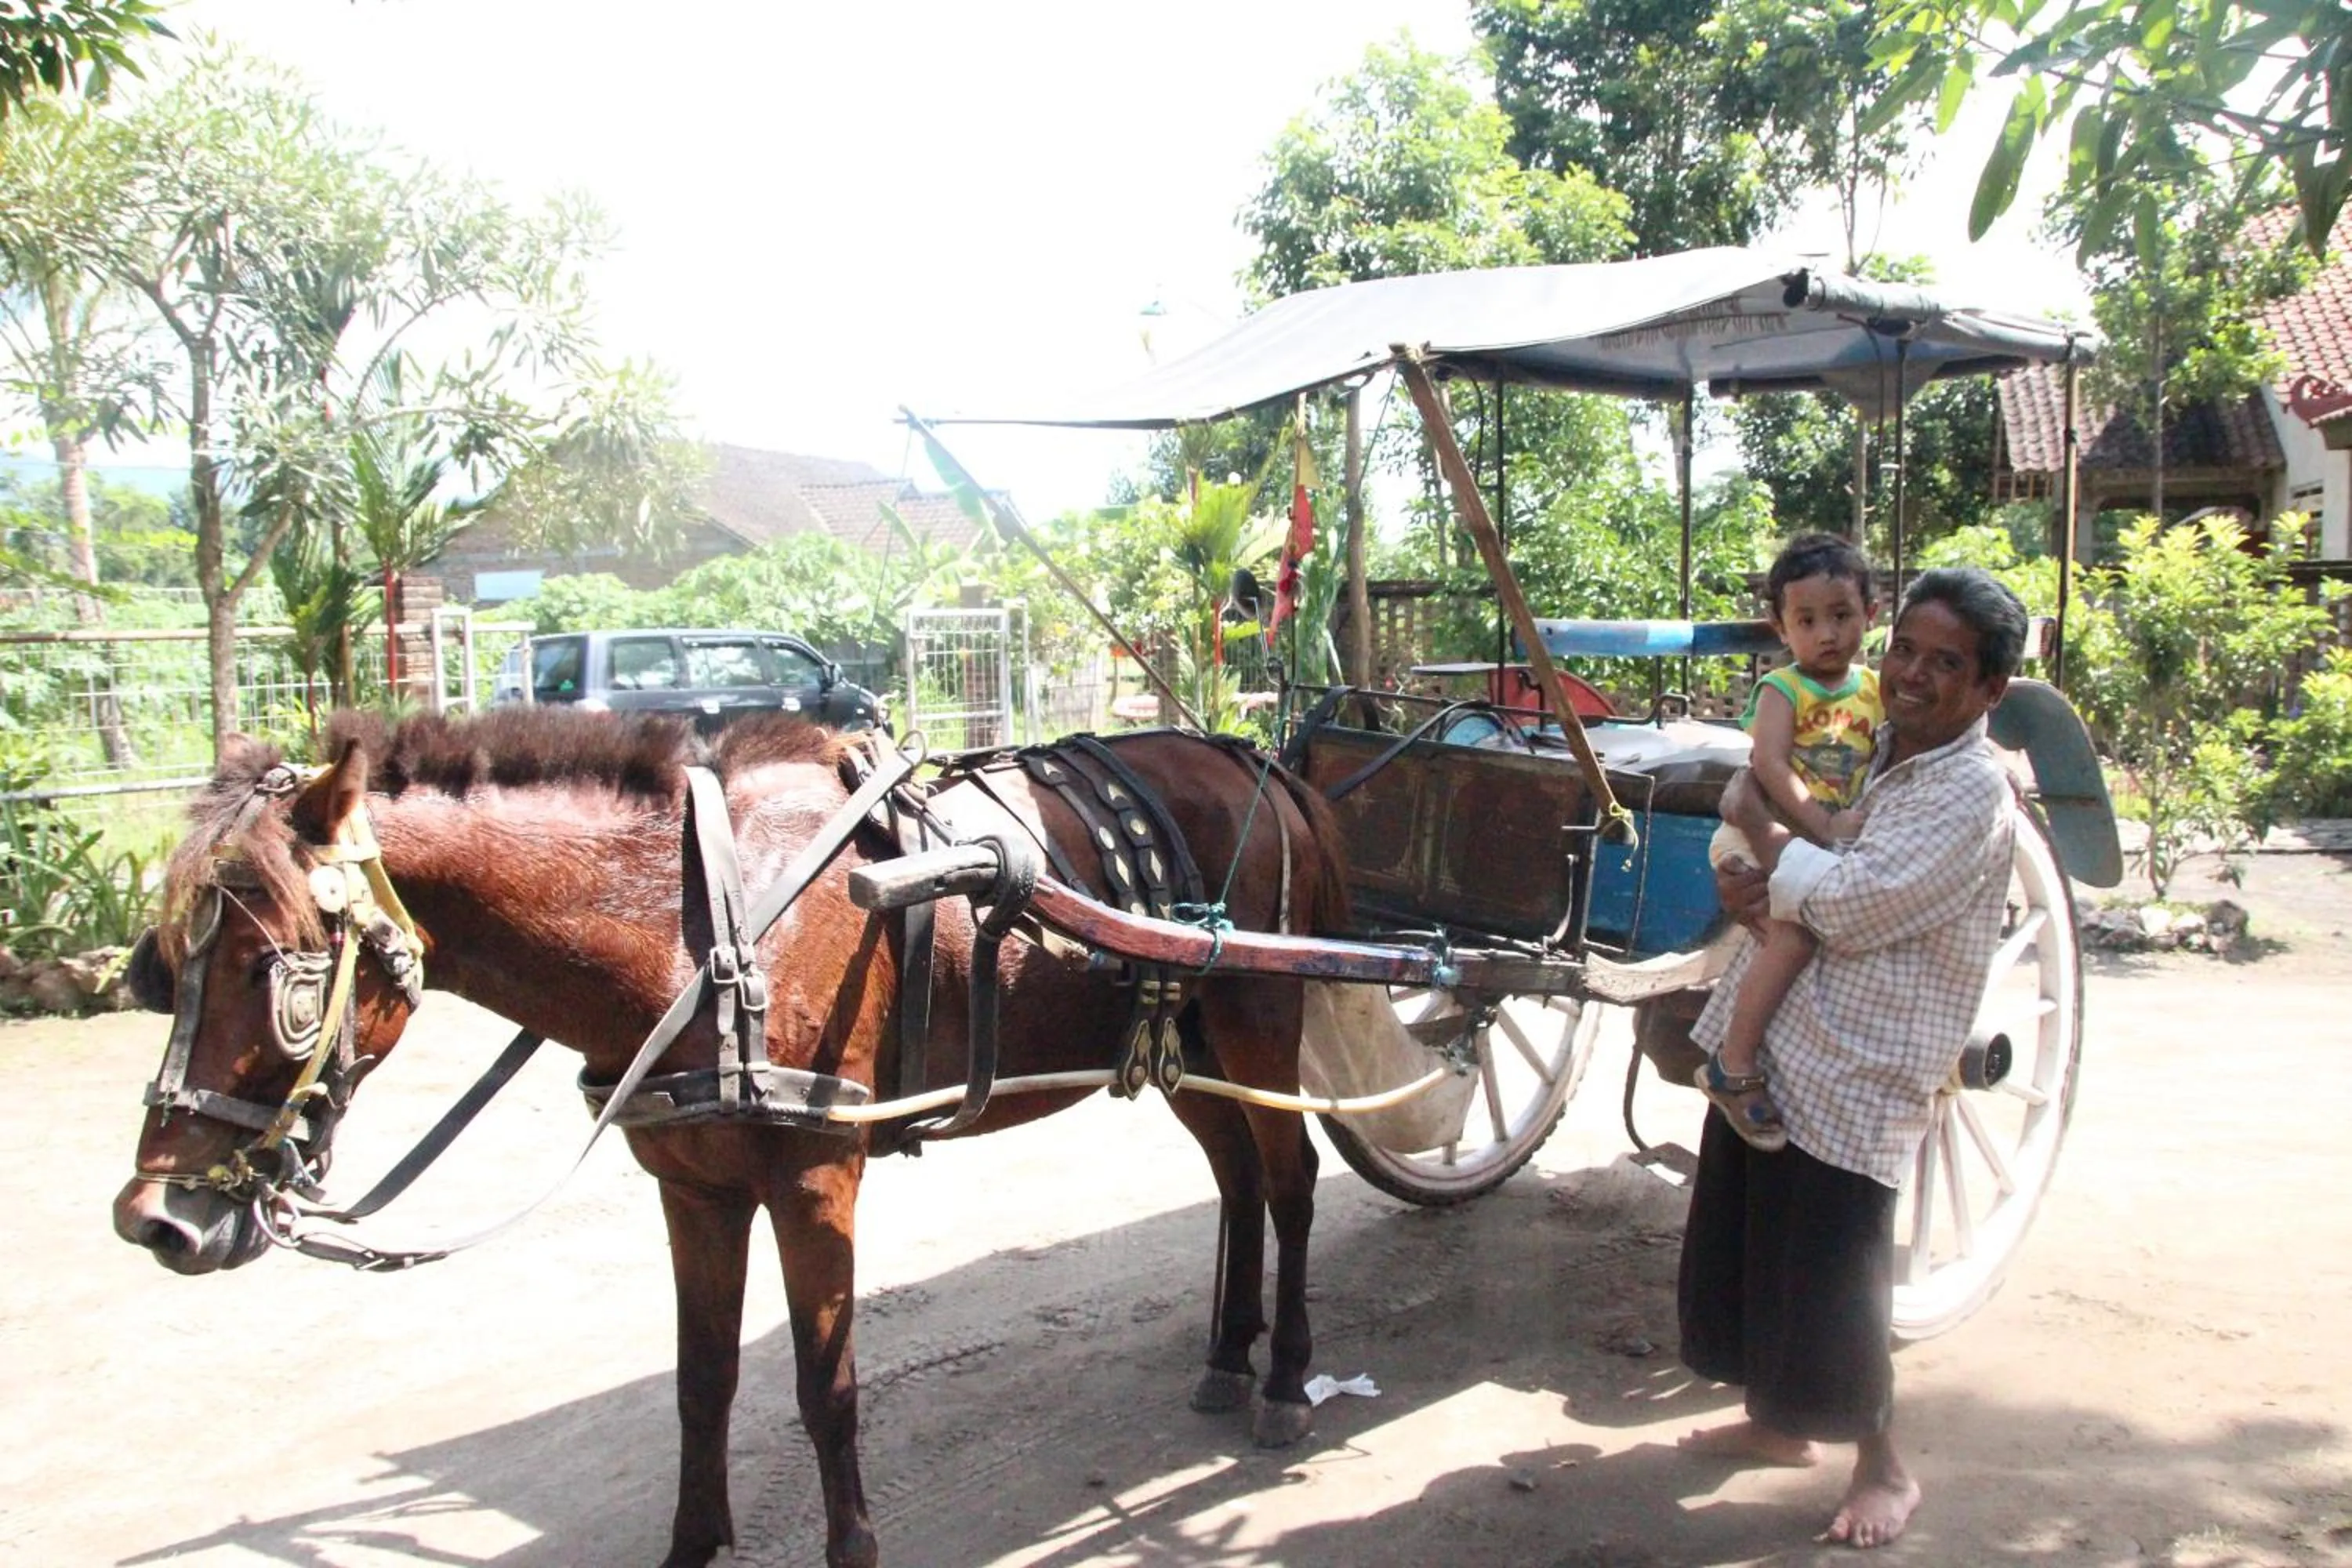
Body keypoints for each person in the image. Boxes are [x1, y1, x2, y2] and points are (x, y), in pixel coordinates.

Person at [1675, 566, 2028, 1551]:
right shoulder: (1885, 746)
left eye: (1945, 662)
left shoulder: (1971, 791)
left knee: (1836, 1262)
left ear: (1990, 689)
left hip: (1866, 1054)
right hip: (1790, 1030)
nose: (1912, 673)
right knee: (1755, 1231)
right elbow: (1817, 857)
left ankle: (1887, 1465)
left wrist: (1766, 853)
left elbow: (1854, 901)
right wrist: (1779, 869)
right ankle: (1778, 1422)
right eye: (1906, 649)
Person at [1698, 534, 1882, 1151]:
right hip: (1754, 834)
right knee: (1795, 933)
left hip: (1813, 843)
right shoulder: (1784, 690)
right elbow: (1770, 765)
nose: (1826, 634)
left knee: (1826, 921)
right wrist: (1824, 825)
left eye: (1841, 616)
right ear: (1782, 627)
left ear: (1871, 616)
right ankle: (1734, 1062)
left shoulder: (1875, 692)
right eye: (1806, 621)